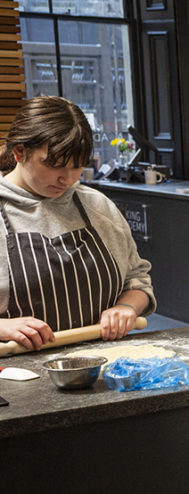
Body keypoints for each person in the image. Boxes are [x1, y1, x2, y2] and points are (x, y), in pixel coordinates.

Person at [0, 96, 154, 350]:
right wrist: (4, 327)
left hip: (105, 366)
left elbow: (137, 279)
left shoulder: (98, 207)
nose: (68, 179)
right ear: (19, 152)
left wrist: (126, 307)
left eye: (77, 167)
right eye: (55, 165)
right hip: (17, 375)